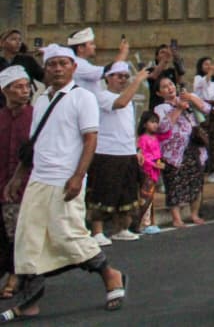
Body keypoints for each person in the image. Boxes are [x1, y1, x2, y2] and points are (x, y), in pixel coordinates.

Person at [2, 45, 126, 318]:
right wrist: (18, 177)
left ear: (73, 67)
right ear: (45, 69)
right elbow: (33, 144)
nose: (57, 69)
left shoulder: (82, 97)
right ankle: (29, 301)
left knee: (69, 234)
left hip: (65, 179)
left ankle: (110, 274)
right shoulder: (42, 100)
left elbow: (90, 139)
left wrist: (78, 176)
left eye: (62, 63)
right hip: (38, 178)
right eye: (52, 64)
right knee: (28, 240)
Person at [86, 62, 151, 244]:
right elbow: (120, 103)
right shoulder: (102, 96)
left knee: (127, 192)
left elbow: (128, 126)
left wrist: (135, 148)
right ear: (108, 78)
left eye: (125, 76)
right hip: (107, 152)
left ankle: (121, 228)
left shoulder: (128, 98)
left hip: (126, 151)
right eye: (119, 76)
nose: (123, 79)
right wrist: (137, 80)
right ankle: (97, 231)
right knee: (103, 191)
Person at [153, 77, 211, 227]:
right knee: (174, 182)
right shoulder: (160, 109)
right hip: (174, 152)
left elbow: (207, 109)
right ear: (159, 93)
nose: (169, 88)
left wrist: (190, 98)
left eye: (171, 84)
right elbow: (163, 127)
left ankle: (194, 213)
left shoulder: (187, 98)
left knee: (196, 180)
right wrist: (178, 108)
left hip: (194, 146)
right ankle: (176, 217)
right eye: (164, 87)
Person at [0, 67, 32, 300]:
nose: (24, 91)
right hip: (1, 182)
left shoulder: (35, 116)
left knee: (18, 234)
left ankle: (16, 275)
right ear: (5, 90)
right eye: (18, 87)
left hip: (26, 186)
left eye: (26, 86)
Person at [192, 56, 214, 183]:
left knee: (213, 141)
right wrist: (213, 69)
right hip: (201, 112)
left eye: (209, 64)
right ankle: (201, 168)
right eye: (205, 64)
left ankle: (211, 170)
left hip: (212, 111)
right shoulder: (198, 78)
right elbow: (201, 86)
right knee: (202, 139)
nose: (208, 66)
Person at [69, 28, 129, 95]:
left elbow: (100, 81)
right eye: (91, 44)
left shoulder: (84, 63)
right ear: (81, 48)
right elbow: (108, 71)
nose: (94, 47)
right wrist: (123, 53)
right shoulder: (78, 64)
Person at [132, 112, 163, 236]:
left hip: (155, 171)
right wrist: (153, 164)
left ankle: (148, 222)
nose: (155, 125)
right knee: (145, 198)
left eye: (156, 122)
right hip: (147, 171)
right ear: (145, 124)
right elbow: (143, 155)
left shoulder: (155, 138)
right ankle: (141, 223)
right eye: (152, 122)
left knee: (150, 199)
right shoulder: (143, 139)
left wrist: (160, 163)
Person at [146, 45, 183, 109]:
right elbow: (154, 75)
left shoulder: (172, 71)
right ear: (156, 56)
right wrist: (165, 59)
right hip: (156, 106)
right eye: (162, 52)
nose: (165, 54)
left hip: (172, 106)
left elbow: (179, 81)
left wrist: (177, 59)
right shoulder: (150, 70)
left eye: (167, 52)